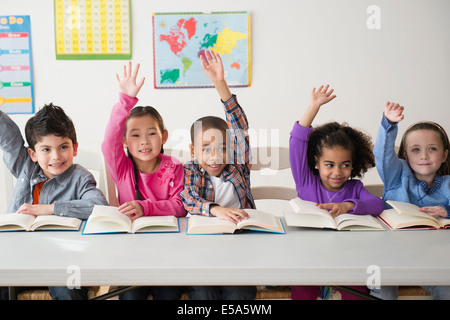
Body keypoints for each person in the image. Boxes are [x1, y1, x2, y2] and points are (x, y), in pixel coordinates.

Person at [0, 104, 108, 300]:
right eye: (46, 149)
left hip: (63, 263)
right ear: (33, 154)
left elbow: (99, 206)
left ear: (75, 148)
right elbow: (8, 136)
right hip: (21, 259)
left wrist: (50, 209)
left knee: (67, 290)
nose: (56, 156)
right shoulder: (26, 166)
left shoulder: (80, 177)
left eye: (63, 147)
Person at [289, 85, 384, 300]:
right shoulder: (306, 182)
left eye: (345, 165)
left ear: (354, 164)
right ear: (316, 162)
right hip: (309, 258)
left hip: (348, 260)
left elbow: (378, 205)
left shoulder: (355, 188)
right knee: (302, 290)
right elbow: (296, 142)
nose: (337, 172)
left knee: (358, 292)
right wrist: (313, 107)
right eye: (329, 165)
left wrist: (348, 206)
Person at [101, 61, 186, 300]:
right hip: (131, 253)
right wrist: (125, 100)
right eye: (135, 135)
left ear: (164, 137)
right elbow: (108, 142)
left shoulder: (174, 166)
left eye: (152, 133)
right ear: (125, 142)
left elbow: (180, 206)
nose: (144, 141)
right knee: (129, 296)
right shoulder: (122, 168)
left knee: (168, 294)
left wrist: (145, 207)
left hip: (168, 251)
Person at [181, 50, 256, 300]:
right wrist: (217, 210)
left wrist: (220, 84)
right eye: (206, 149)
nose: (215, 156)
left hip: (240, 246)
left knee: (238, 292)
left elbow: (239, 126)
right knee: (203, 292)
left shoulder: (238, 165)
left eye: (223, 148)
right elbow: (189, 198)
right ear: (193, 151)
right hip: (203, 249)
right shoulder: (191, 170)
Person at [371, 101, 450, 300]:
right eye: (415, 150)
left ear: (444, 155)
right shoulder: (396, 175)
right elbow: (382, 155)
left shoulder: (448, 184)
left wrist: (446, 210)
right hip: (389, 257)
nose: (424, 155)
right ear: (405, 155)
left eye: (432, 149)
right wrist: (389, 124)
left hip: (432, 261)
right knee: (384, 294)